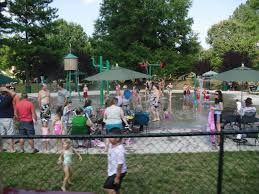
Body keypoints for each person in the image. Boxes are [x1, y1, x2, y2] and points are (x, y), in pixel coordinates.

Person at [103, 128, 127, 194]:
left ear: (118, 138)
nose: (109, 138)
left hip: (118, 172)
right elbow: (106, 146)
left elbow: (120, 165)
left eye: (111, 137)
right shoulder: (111, 145)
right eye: (109, 136)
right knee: (115, 188)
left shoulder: (120, 150)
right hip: (113, 171)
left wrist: (117, 177)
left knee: (107, 187)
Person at [0, 86, 16, 152]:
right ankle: (11, 148)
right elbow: (14, 94)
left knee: (1, 134)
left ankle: (0, 148)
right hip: (8, 118)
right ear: (6, 93)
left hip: (0, 118)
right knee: (10, 133)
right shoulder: (8, 98)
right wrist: (7, 89)